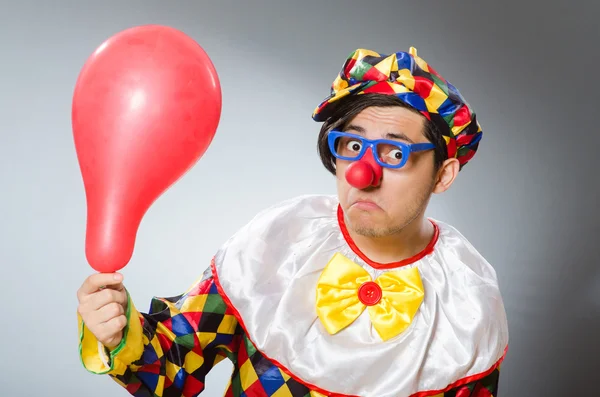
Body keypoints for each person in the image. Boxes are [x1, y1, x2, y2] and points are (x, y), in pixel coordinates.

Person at [76, 47, 509, 397]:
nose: (363, 174)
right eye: (352, 145)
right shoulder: (279, 242)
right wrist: (118, 334)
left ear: (443, 174)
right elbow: (173, 367)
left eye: (394, 154)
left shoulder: (467, 298)